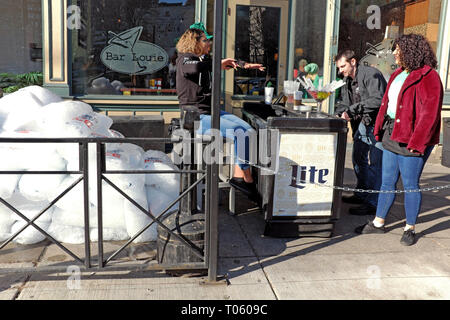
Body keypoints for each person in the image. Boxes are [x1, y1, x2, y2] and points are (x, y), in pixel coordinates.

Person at [355, 34, 443, 246]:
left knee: (410, 184)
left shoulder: (429, 76)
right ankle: (378, 223)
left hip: (413, 138)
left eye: (398, 49)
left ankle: (410, 228)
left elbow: (429, 115)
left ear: (411, 51)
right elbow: (386, 104)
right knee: (387, 181)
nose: (394, 53)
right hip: (391, 133)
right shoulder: (397, 74)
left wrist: (417, 143)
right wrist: (379, 129)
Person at [175, 24, 265, 200]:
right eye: (205, 40)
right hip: (196, 118)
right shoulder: (184, 59)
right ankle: (246, 179)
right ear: (195, 42)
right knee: (243, 133)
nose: (209, 43)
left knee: (249, 131)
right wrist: (217, 63)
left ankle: (239, 176)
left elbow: (226, 62)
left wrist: (244, 65)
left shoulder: (202, 60)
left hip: (211, 112)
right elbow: (193, 68)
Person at [334, 50, 387, 215]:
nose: (340, 70)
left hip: (377, 124)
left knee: (376, 164)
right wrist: (340, 112)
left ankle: (373, 203)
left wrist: (351, 110)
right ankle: (362, 193)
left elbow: (378, 100)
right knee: (358, 159)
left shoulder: (371, 74)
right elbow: (344, 102)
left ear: (353, 62)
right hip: (361, 124)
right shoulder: (346, 80)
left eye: (343, 66)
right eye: (339, 67)